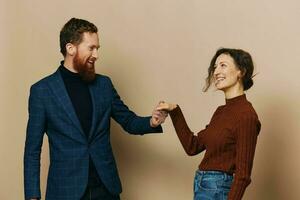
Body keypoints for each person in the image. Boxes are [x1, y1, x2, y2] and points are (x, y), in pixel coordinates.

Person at [24, 18, 167, 200]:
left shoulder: (103, 85)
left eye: (98, 48)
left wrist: (151, 121)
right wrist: (32, 196)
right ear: (70, 48)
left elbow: (129, 121)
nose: (96, 54)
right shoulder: (42, 91)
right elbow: (32, 150)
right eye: (91, 48)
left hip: (106, 188)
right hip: (66, 191)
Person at [157, 48, 261, 200]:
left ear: (241, 71)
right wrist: (174, 111)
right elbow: (192, 146)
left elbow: (243, 175)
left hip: (218, 189)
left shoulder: (246, 116)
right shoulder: (221, 111)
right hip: (203, 185)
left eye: (223, 65)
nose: (216, 72)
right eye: (215, 67)